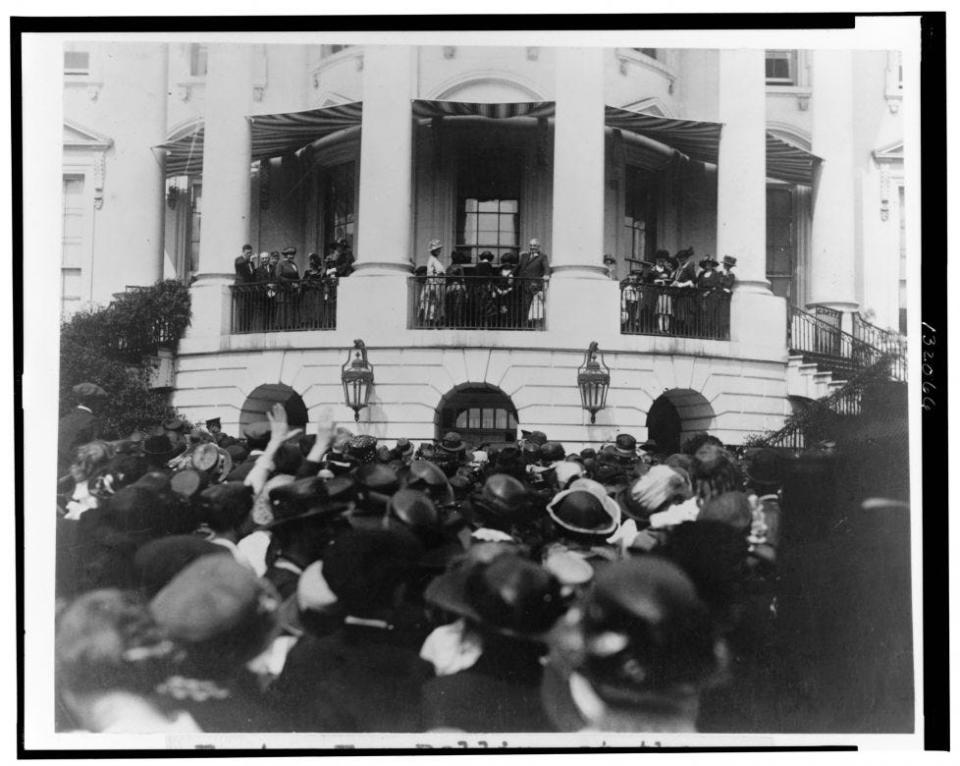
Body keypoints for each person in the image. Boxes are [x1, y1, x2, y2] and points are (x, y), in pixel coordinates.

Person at [58, 382, 107, 478]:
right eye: (100, 401)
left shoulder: (65, 418)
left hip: (58, 472)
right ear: (93, 401)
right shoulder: (92, 421)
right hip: (75, 476)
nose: (101, 405)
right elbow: (95, 453)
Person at [516, 238, 550, 328]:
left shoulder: (543, 256)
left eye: (534, 246)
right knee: (522, 307)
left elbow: (546, 267)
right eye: (531, 245)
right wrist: (510, 275)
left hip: (533, 286)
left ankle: (530, 327)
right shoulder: (524, 256)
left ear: (538, 247)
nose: (532, 247)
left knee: (532, 308)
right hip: (522, 284)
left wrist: (546, 275)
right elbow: (518, 267)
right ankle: (523, 327)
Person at [419, 239, 447, 326]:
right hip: (434, 284)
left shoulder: (436, 260)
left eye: (439, 249)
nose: (439, 251)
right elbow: (430, 273)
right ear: (434, 250)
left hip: (439, 284)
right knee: (432, 303)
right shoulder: (431, 260)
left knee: (437, 304)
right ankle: (431, 322)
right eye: (437, 249)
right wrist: (432, 285)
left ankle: (435, 321)